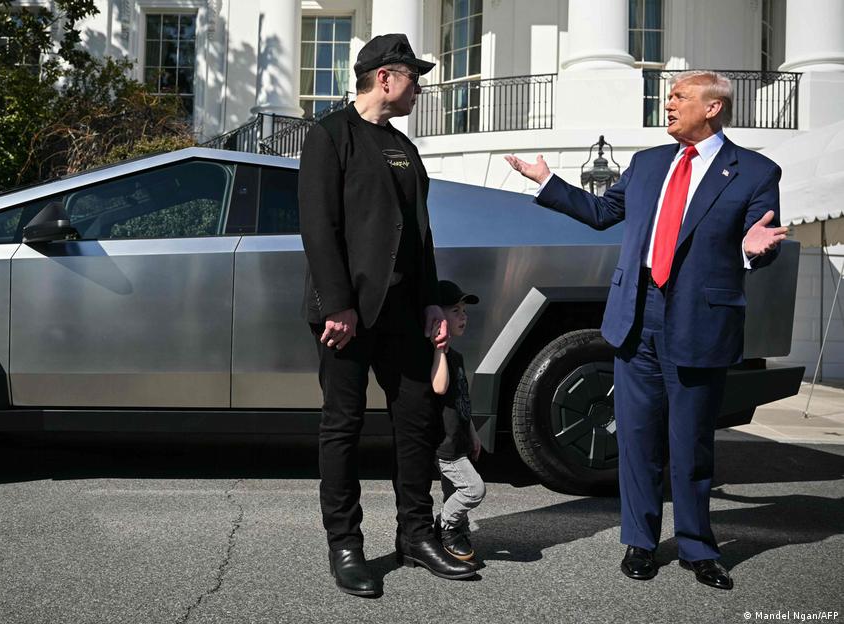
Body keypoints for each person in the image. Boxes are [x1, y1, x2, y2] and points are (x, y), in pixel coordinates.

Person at [505, 70, 788, 591]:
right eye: (669, 96)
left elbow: (759, 237)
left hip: (700, 324)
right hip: (636, 316)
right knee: (635, 441)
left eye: (679, 96)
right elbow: (601, 212)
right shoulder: (647, 163)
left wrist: (752, 250)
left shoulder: (754, 170)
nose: (669, 103)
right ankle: (639, 542)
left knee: (691, 444)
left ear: (713, 108)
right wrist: (547, 182)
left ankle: (699, 547)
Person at [299, 33, 480, 598]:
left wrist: (432, 303)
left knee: (416, 425)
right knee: (343, 429)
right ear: (386, 77)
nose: (420, 87)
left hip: (404, 315)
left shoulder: (404, 147)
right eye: (414, 76)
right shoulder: (329, 136)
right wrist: (340, 305)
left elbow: (420, 236)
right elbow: (319, 228)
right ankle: (346, 546)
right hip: (346, 317)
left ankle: (416, 535)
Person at [429, 280, 486, 562]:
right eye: (455, 310)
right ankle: (446, 525)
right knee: (474, 489)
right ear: (437, 316)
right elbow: (439, 388)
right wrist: (439, 349)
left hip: (460, 439)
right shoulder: (435, 356)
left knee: (453, 490)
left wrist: (473, 433)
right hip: (446, 445)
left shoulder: (459, 357)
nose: (464, 316)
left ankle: (457, 530)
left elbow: (462, 399)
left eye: (464, 310)